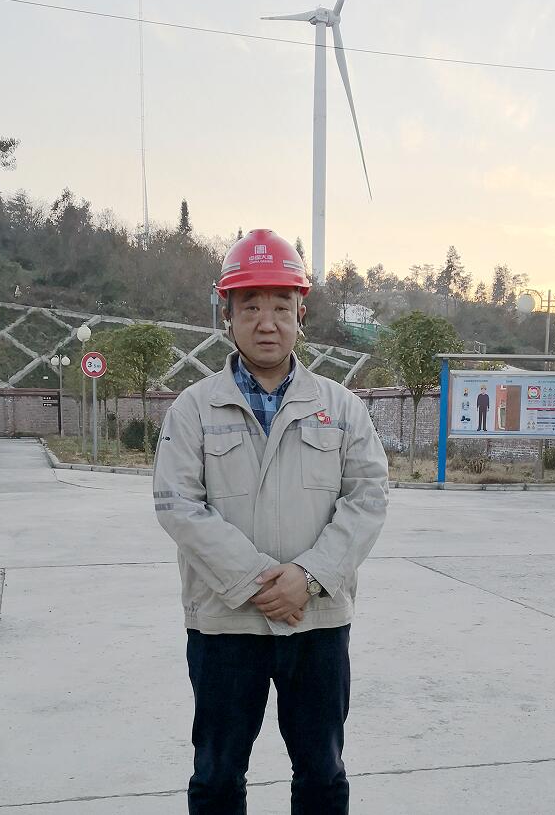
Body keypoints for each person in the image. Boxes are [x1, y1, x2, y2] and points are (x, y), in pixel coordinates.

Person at [153, 229, 389, 814]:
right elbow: (177, 503)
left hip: (316, 621)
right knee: (217, 776)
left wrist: (307, 577)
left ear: (300, 313)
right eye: (251, 307)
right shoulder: (193, 409)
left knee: (322, 774)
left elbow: (368, 496)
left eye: (281, 307)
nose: (267, 323)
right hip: (224, 625)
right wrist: (260, 582)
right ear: (227, 315)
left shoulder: (341, 407)